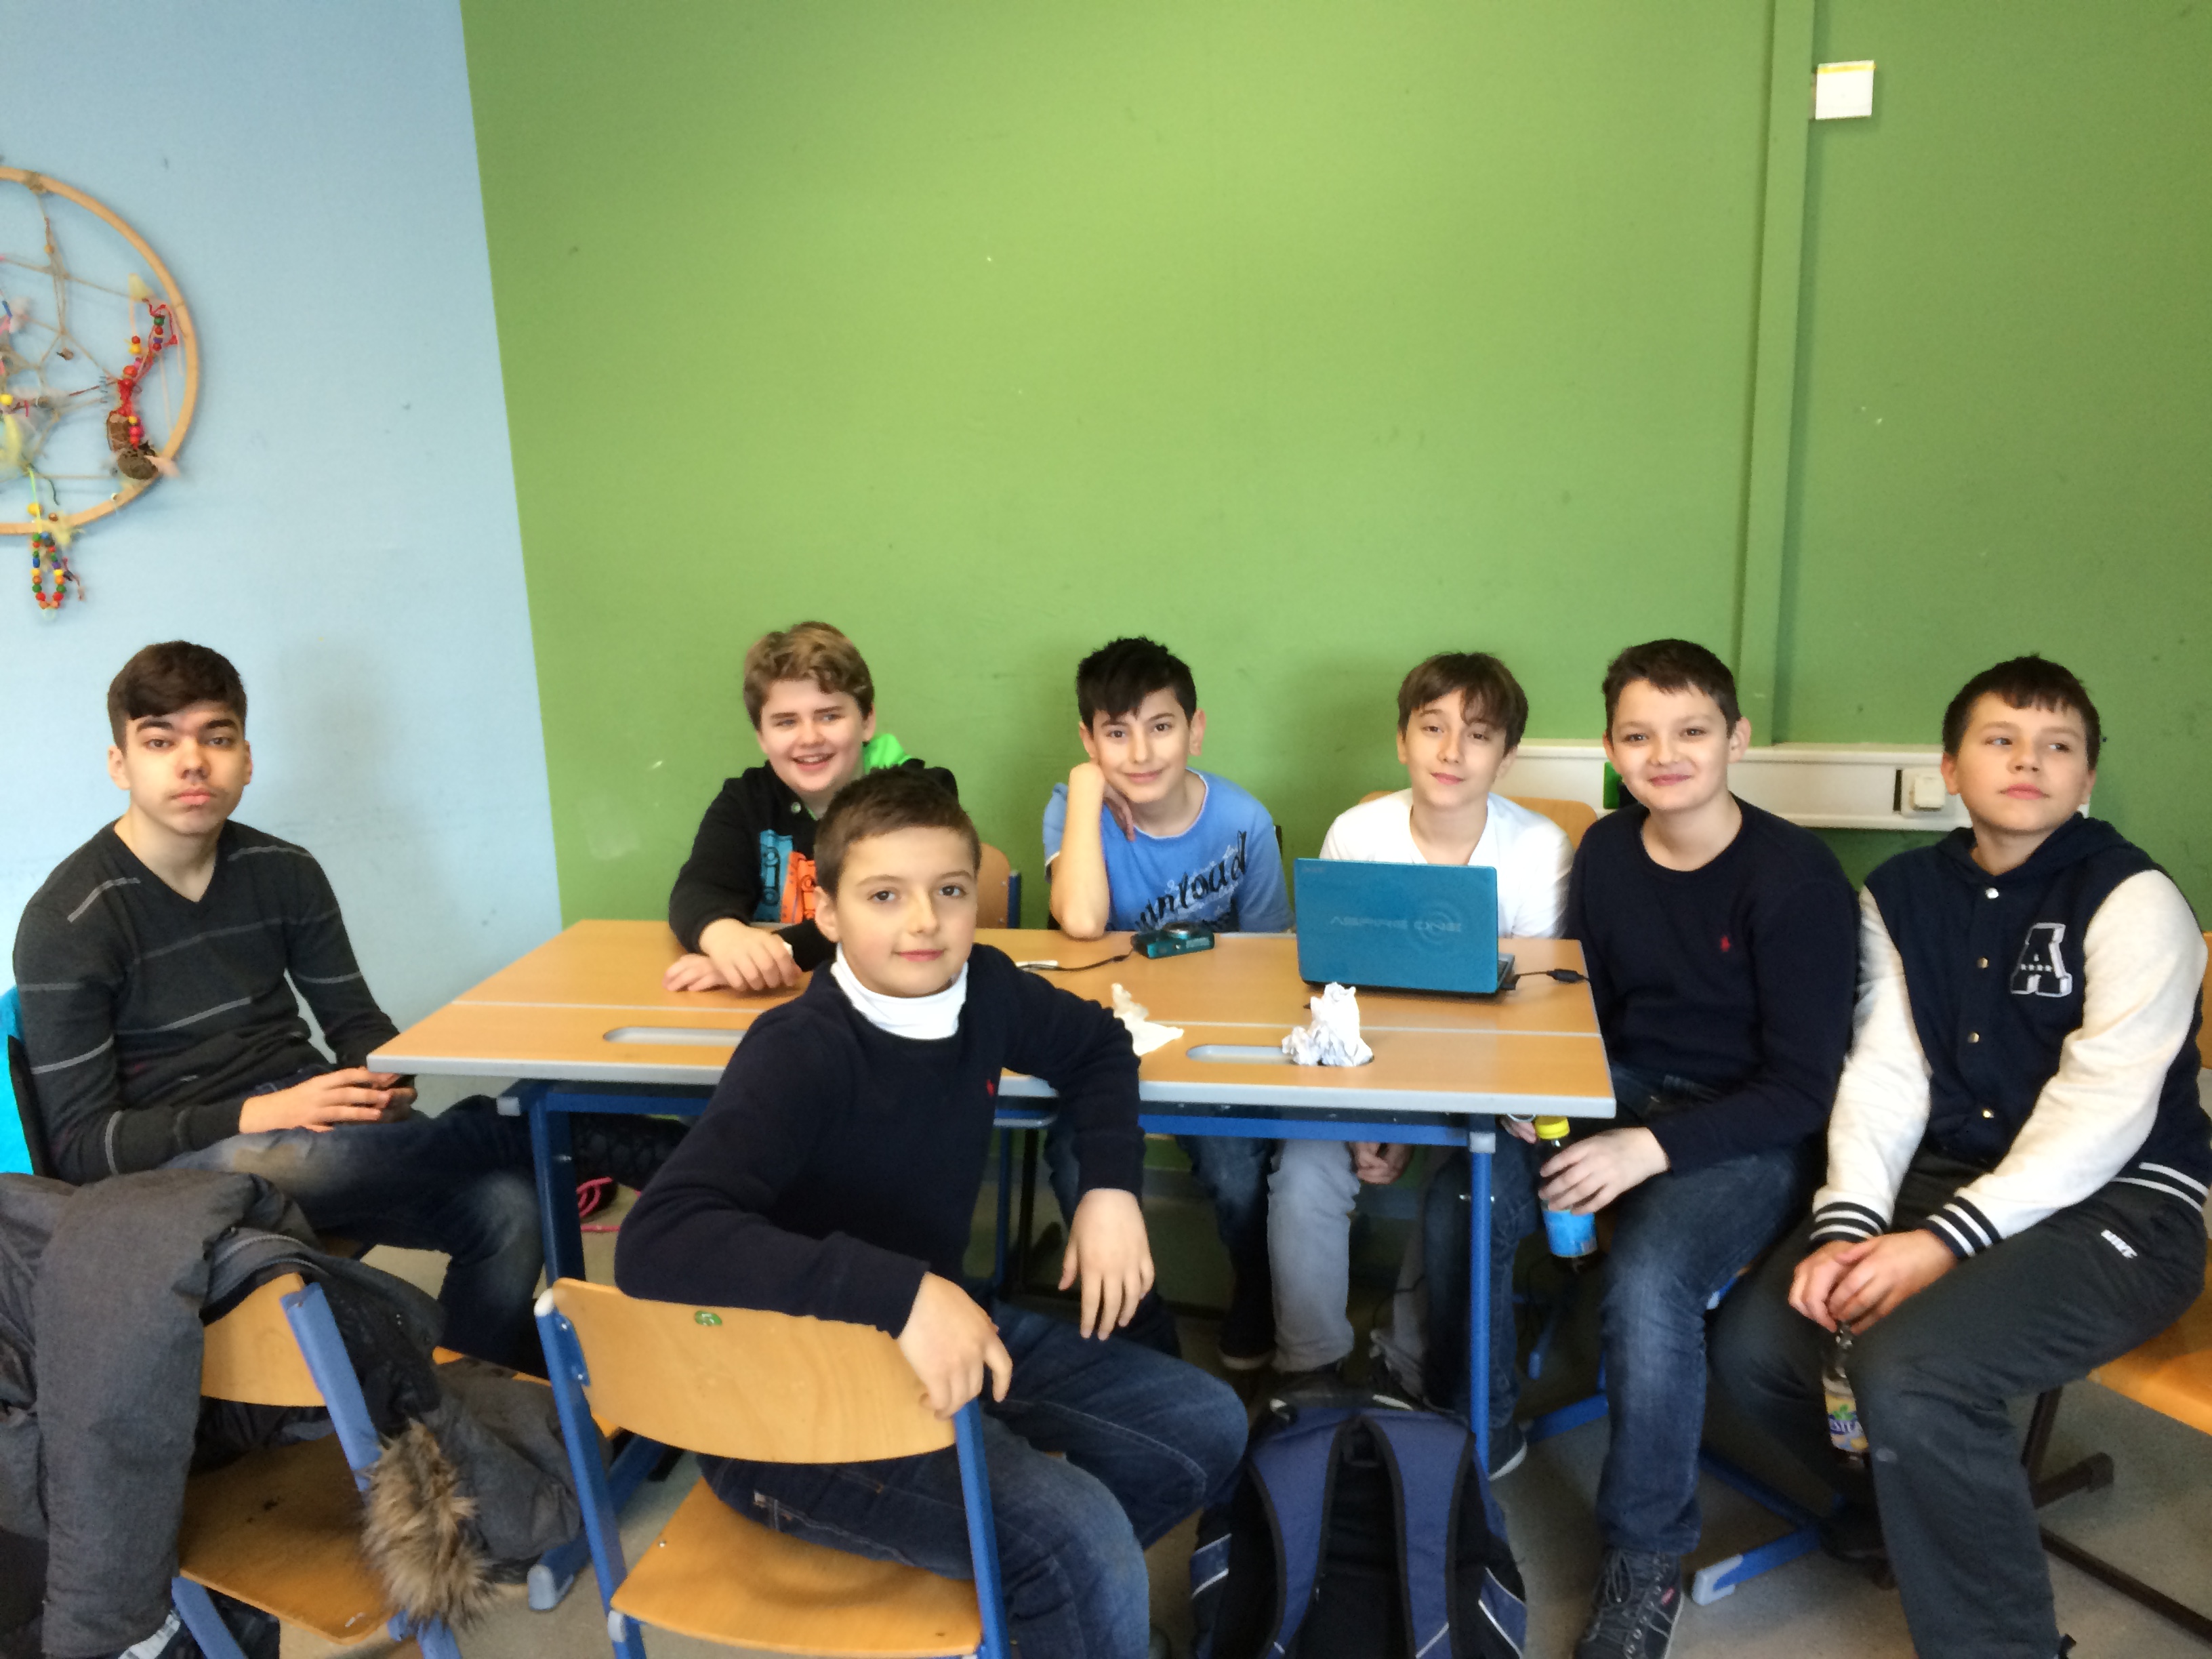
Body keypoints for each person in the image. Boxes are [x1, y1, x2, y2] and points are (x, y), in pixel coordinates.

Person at [617, 769, 1248, 1659]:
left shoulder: (982, 985)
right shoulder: (800, 1050)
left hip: (936, 1338)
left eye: (949, 891)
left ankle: (1049, 1610)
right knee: (1077, 1535)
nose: (924, 921)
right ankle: (1064, 1588)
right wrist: (904, 1293)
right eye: (885, 896)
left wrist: (1109, 1189)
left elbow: (1101, 1047)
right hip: (786, 1411)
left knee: (1208, 1425)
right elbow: (659, 1242)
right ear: (827, 915)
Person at [1713, 656, 2207, 1659]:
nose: (2029, 760)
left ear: (2087, 779)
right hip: (1954, 1176)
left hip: (2125, 1204)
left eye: (2058, 746)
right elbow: (1888, 1074)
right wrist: (1850, 1224)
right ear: (1950, 767)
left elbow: (2105, 1110)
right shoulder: (1900, 894)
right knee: (1759, 1348)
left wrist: (1940, 1243)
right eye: (2001, 740)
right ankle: (1907, 1497)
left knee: (1912, 1372)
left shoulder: (2134, 896)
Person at [1469, 638, 1858, 1659]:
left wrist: (1648, 1149)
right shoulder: (1605, 851)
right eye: (1639, 736)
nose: (1666, 755)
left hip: (1751, 1125)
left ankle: (1645, 1562)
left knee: (1647, 1281)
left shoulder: (1795, 878)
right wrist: (1542, 1089)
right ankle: (1477, 1434)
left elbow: (1803, 1090)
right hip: (1621, 1091)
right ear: (1611, 750)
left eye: (1691, 732)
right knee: (1474, 1185)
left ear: (1736, 738)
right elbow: (1585, 1010)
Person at [11, 642, 544, 1368]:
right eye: (160, 741)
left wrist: (382, 1077)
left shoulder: (285, 871)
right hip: (175, 1167)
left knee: (513, 1206)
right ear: (120, 765)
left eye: (217, 738)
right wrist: (260, 1114)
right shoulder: (67, 921)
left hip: (311, 1127)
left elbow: (355, 1023)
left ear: (247, 759)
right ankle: (525, 1130)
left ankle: (469, 1391)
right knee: (296, 1156)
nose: (193, 762)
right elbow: (82, 1147)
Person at [1268, 652, 1571, 1412]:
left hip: (1486, 1077)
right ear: (1402, 739)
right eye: (1432, 728)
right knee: (1304, 1168)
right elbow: (1330, 986)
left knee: (1460, 1183)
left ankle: (1406, 1369)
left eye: (1478, 734)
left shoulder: (1539, 848)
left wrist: (1413, 1115)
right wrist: (1377, 1110)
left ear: (1506, 755)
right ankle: (1310, 1370)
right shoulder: (1357, 832)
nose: (1452, 751)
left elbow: (1537, 1012)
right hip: (1367, 1064)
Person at [1043, 634, 1290, 1367]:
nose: (1142, 753)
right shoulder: (1073, 807)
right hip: (1105, 1045)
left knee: (1237, 1169)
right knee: (1075, 1162)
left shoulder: (1243, 820)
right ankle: (1138, 1326)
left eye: (1161, 726)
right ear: (1089, 742)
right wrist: (1084, 791)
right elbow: (1081, 920)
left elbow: (1271, 957)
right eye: (1116, 734)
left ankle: (1256, 1284)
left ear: (1195, 729)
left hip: (1215, 1039)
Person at [666, 619, 954, 992]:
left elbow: (880, 922)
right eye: (786, 722)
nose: (809, 738)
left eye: (829, 716)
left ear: (867, 721)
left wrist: (775, 955)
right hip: (782, 998)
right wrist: (726, 941)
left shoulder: (922, 797)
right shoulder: (745, 801)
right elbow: (698, 890)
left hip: (888, 997)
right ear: (762, 737)